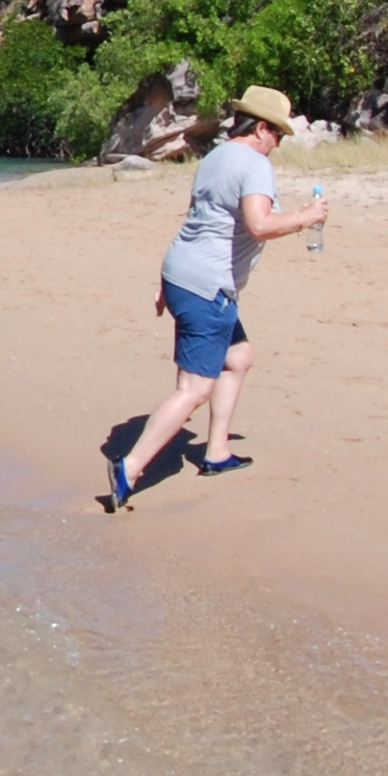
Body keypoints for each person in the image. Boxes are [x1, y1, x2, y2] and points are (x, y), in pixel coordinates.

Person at [110, 83, 326, 509]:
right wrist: (307, 217)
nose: (278, 143)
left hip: (183, 274)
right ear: (261, 128)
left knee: (239, 356)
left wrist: (165, 282)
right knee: (193, 388)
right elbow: (259, 225)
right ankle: (128, 468)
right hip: (208, 286)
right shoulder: (254, 164)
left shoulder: (214, 156)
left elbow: (196, 216)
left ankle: (217, 451)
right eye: (278, 134)